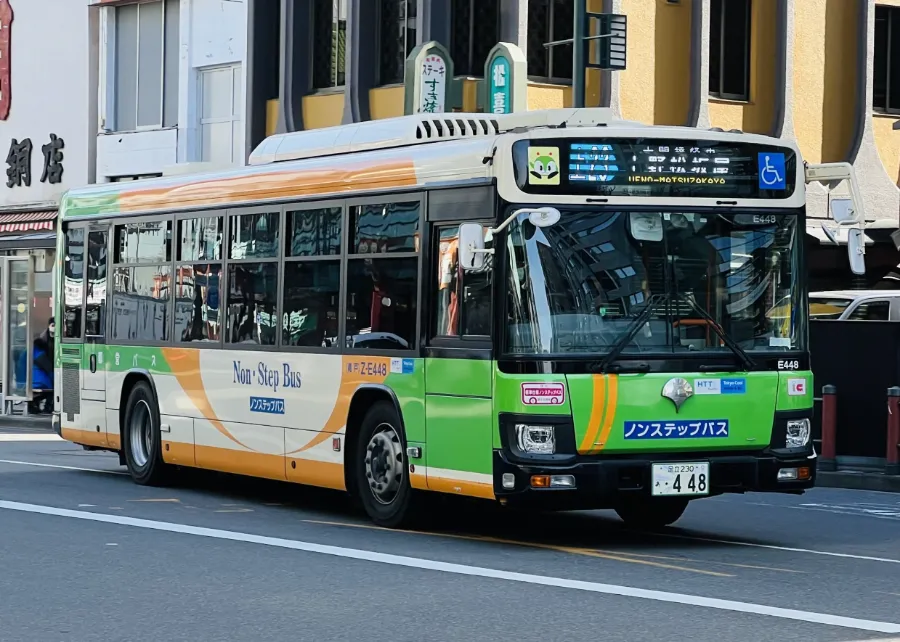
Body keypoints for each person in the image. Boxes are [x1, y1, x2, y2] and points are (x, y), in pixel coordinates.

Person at [16, 318, 54, 414]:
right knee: (54, 388)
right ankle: (47, 406)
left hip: (25, 381)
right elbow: (48, 367)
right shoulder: (38, 352)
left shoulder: (29, 351)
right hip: (38, 382)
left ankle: (35, 404)